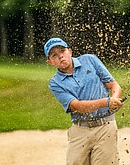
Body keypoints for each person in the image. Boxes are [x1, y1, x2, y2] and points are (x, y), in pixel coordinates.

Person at [44, 37, 123, 165]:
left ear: (70, 52)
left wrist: (114, 100)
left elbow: (114, 85)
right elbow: (77, 106)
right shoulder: (55, 83)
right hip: (80, 131)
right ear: (50, 62)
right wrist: (107, 102)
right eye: (54, 55)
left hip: (105, 127)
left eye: (62, 51)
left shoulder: (89, 60)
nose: (60, 56)